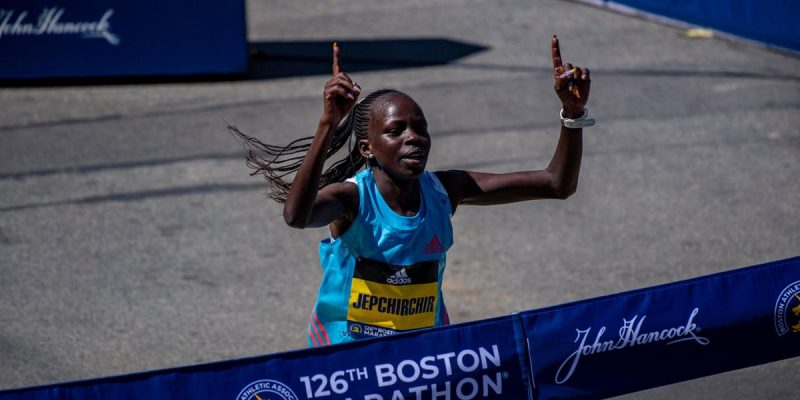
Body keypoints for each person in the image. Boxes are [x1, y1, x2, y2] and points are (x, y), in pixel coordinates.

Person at [230, 35, 592, 346]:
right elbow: (297, 216)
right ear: (367, 148)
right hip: (347, 359)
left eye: (420, 128)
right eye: (396, 131)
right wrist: (328, 123)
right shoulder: (352, 199)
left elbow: (557, 184)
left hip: (420, 358)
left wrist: (572, 115)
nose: (413, 138)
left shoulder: (445, 190)